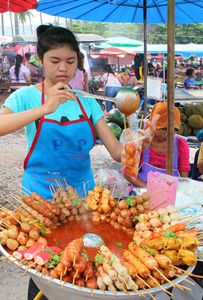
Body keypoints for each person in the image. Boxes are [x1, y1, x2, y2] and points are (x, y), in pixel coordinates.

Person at [0, 24, 158, 300]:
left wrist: (140, 141)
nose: (63, 68)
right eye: (55, 61)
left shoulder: (88, 103)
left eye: (70, 61)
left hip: (84, 203)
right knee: (44, 267)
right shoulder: (25, 97)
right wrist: (46, 107)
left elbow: (117, 153)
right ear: (40, 60)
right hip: (39, 200)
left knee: (82, 268)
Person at [125, 102, 190, 188]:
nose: (167, 133)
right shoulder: (141, 140)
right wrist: (147, 188)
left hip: (170, 193)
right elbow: (128, 172)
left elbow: (184, 178)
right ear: (153, 124)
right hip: (142, 191)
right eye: (163, 129)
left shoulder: (180, 144)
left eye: (174, 129)